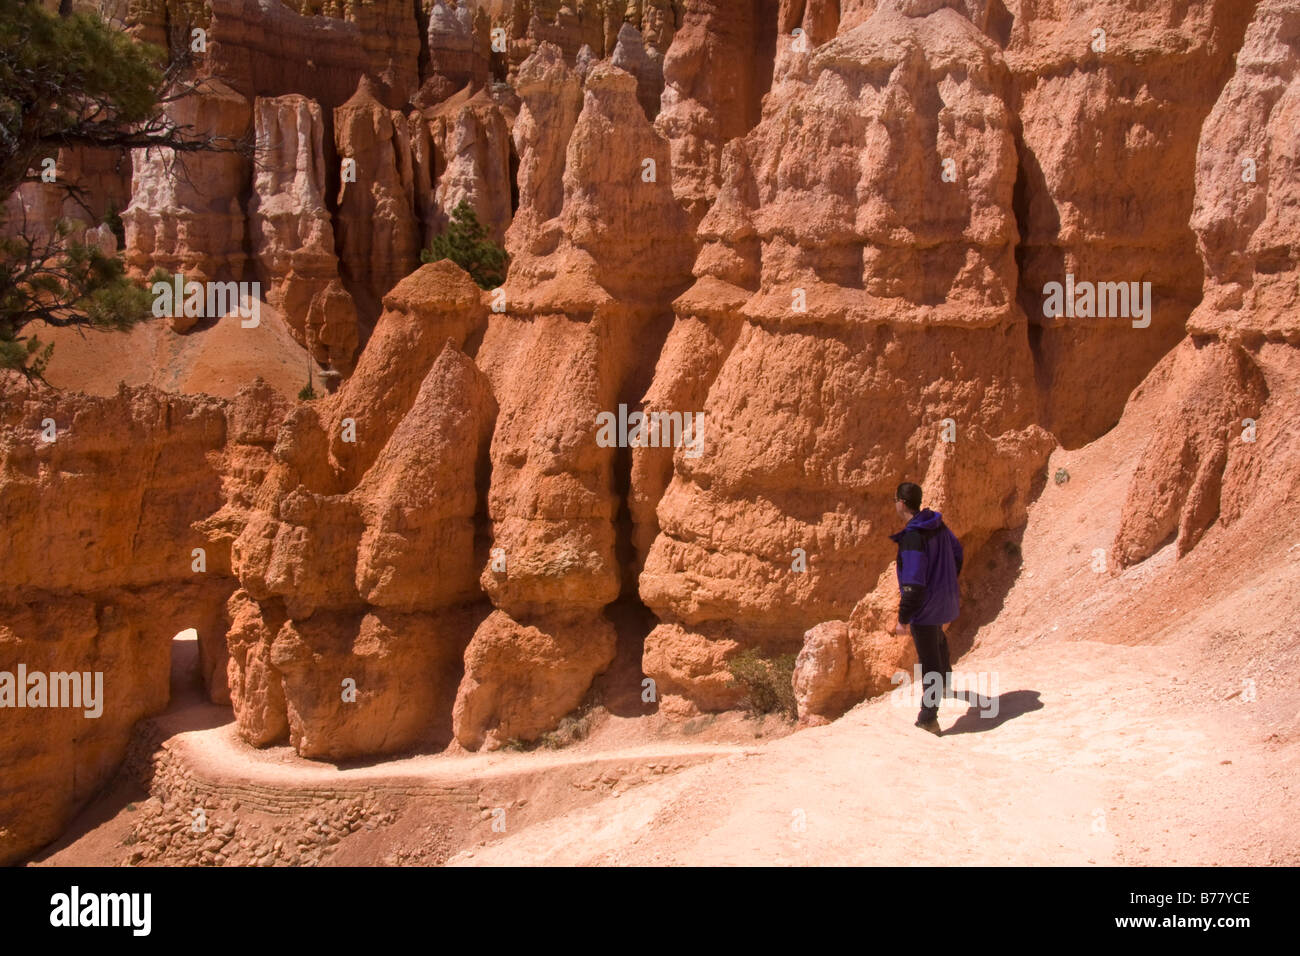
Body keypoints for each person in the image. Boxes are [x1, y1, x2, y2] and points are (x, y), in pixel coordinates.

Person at [890, 481, 963, 736]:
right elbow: (957, 553)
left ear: (901, 502)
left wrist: (903, 618)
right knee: (938, 639)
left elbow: (912, 584)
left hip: (924, 606)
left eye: (895, 500)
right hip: (943, 599)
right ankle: (946, 682)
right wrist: (945, 582)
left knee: (928, 661)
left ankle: (928, 718)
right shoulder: (937, 524)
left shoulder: (913, 536)